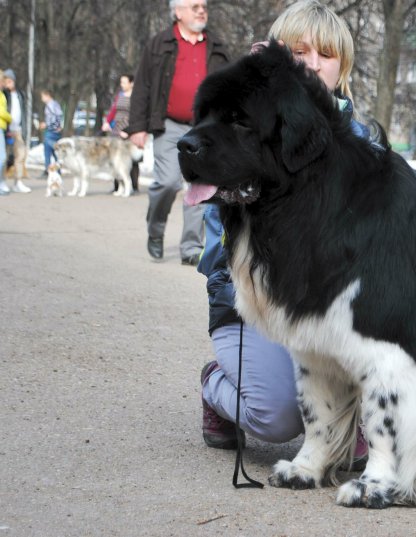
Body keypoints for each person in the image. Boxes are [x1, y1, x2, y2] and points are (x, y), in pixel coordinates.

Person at [199, 0, 367, 467]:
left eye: (326, 55)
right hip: (254, 294)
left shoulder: (364, 141)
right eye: (297, 52)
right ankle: (216, 381)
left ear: (343, 67)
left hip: (332, 304)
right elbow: (220, 240)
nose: (312, 64)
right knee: (275, 419)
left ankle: (347, 414)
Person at [127, 0, 230, 266]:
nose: (201, 10)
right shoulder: (159, 44)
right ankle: (156, 229)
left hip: (204, 126)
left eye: (204, 6)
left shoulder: (216, 46)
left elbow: (229, 88)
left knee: (200, 186)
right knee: (169, 181)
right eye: (194, 5)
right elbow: (142, 87)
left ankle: (191, 247)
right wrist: (137, 127)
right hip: (169, 123)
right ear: (178, 11)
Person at [103, 74, 140, 194]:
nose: (122, 85)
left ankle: (133, 186)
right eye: (121, 82)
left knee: (130, 160)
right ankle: (117, 186)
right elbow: (113, 110)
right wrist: (107, 122)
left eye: (124, 82)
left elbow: (136, 114)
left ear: (131, 83)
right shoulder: (120, 95)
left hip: (129, 131)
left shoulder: (136, 97)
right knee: (114, 158)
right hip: (116, 130)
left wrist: (128, 130)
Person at [3, 69, 31, 193]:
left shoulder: (20, 94)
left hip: (18, 129)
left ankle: (18, 182)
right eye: (6, 80)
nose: (9, 82)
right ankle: (2, 181)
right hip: (6, 130)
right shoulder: (3, 94)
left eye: (11, 79)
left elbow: (24, 112)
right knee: (3, 158)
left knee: (21, 156)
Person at [39, 89, 63, 175]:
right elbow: (60, 116)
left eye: (42, 97)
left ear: (47, 95)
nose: (42, 99)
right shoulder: (56, 104)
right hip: (56, 131)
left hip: (51, 130)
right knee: (54, 151)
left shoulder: (50, 105)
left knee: (48, 150)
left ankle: (47, 170)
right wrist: (59, 126)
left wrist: (46, 124)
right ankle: (58, 169)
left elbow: (53, 117)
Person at [0, 72, 12, 196]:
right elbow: (2, 112)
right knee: (2, 157)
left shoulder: (3, 94)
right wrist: (10, 118)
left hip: (2, 128)